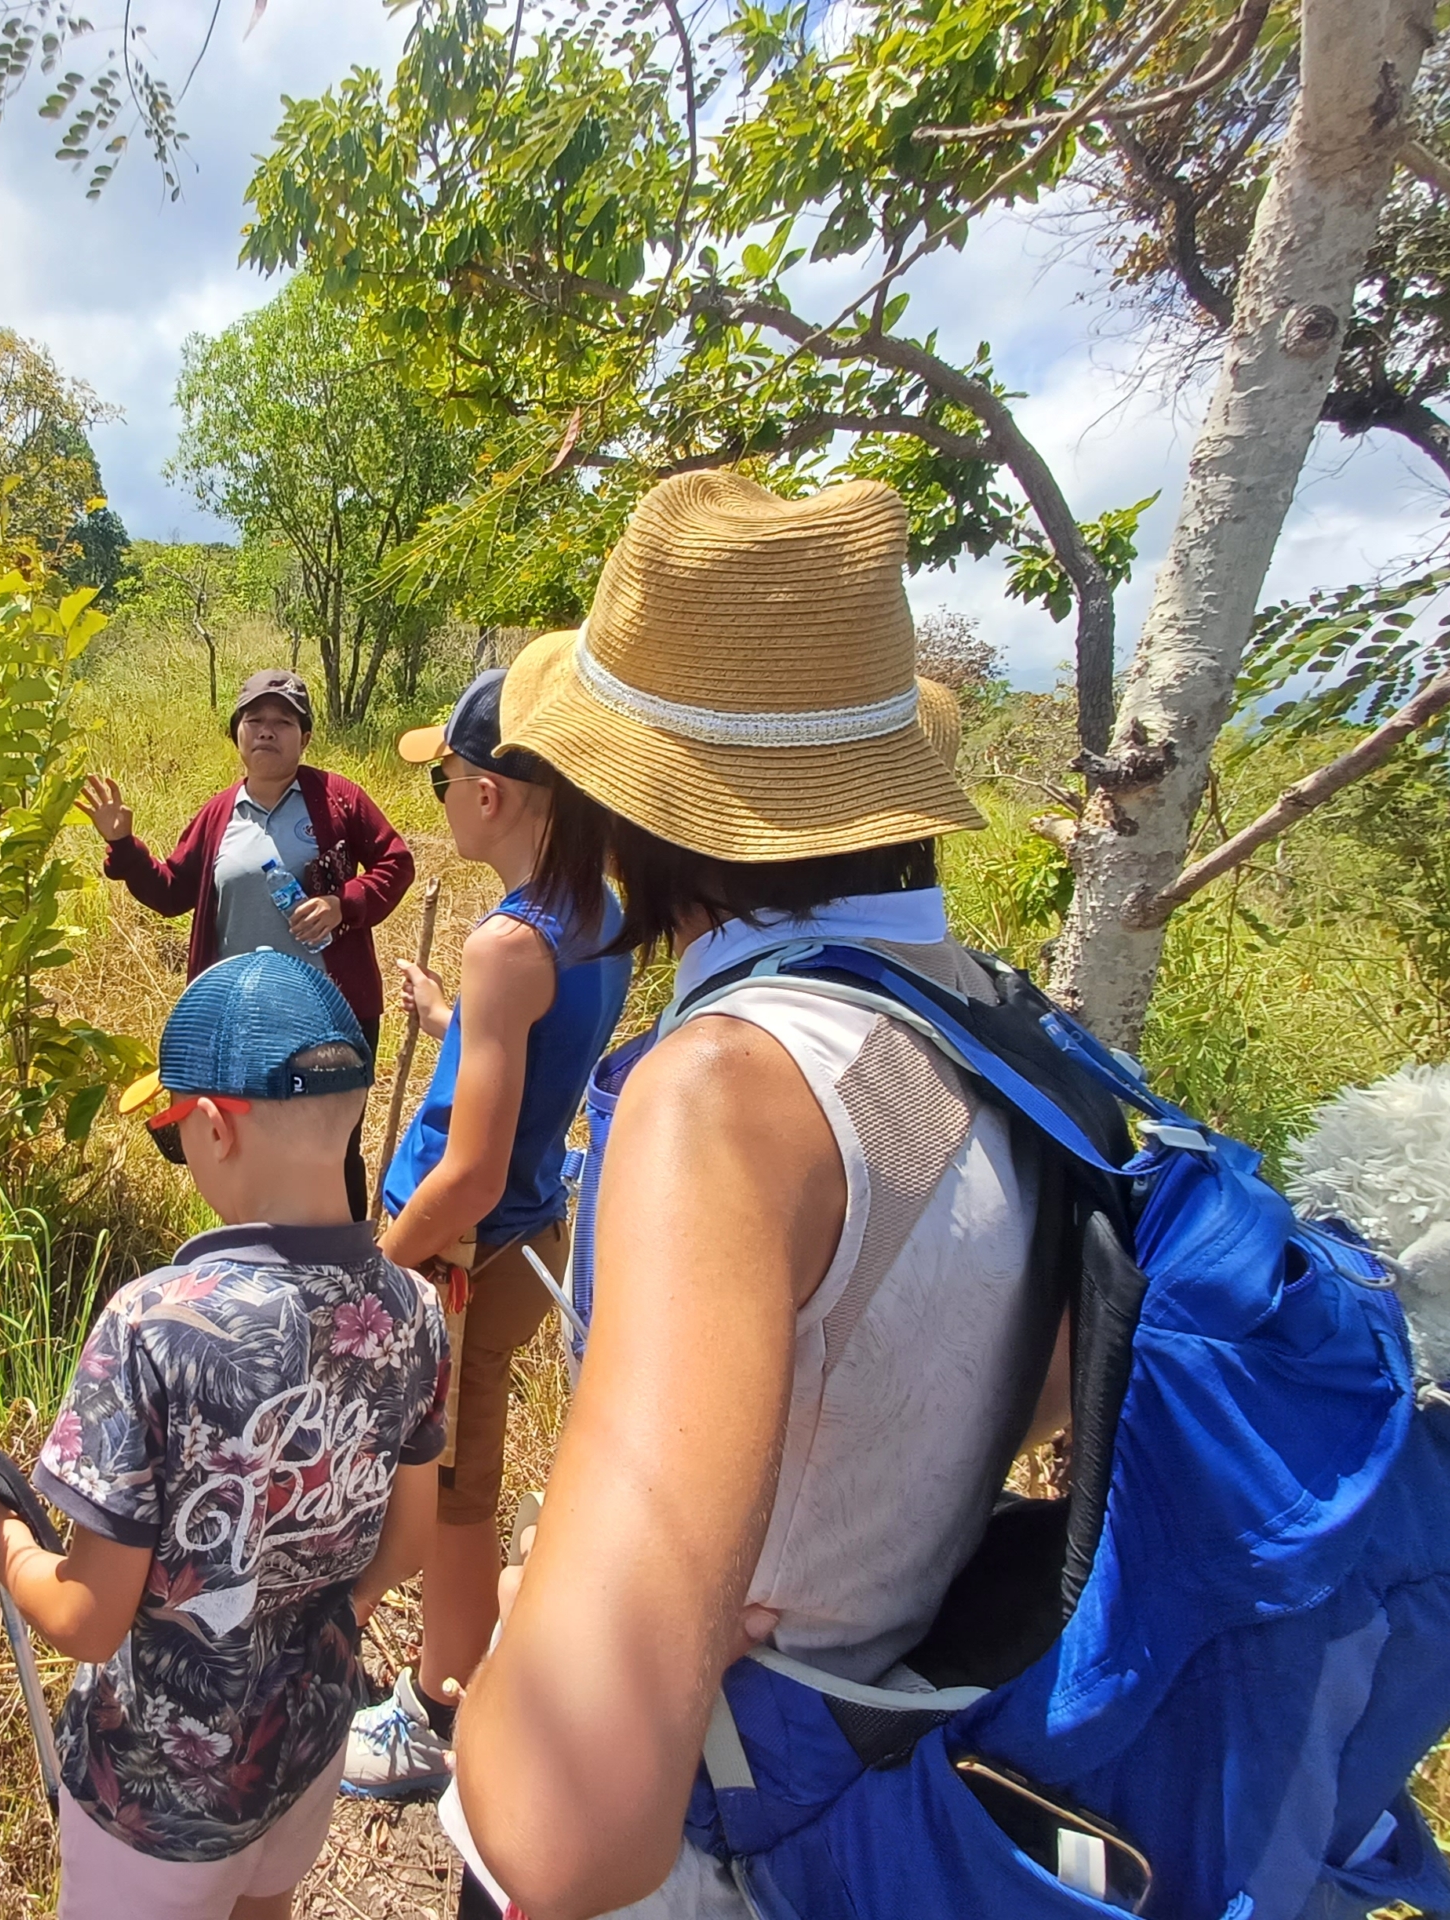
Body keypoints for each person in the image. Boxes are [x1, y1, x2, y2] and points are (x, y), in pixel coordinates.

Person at [444, 473, 1052, 1920]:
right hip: (881, 1780)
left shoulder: (726, 1093)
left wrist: (528, 1648)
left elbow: (564, 1823)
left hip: (710, 1849)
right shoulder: (1000, 1031)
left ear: (631, 804)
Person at [0, 950, 449, 1920]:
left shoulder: (153, 1324)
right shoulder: (415, 1310)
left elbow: (89, 1617)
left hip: (153, 1802)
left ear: (214, 1127)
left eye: (177, 1139)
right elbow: (409, 1542)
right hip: (304, 1757)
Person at [341, 668, 631, 1802]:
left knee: (455, 1491)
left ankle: (436, 1707)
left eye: (445, 773)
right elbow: (530, 1060)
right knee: (463, 1467)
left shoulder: (508, 944)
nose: (442, 790)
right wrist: (451, 1028)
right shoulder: (598, 913)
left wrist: (380, 1262)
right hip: (533, 1236)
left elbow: (464, 1175)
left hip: (468, 1252)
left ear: (497, 794)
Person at [79, 668, 416, 1217]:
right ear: (236, 734)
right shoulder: (218, 814)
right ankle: (253, 1270)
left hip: (329, 1016)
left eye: (283, 722)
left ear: (304, 740)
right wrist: (124, 846)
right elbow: (171, 892)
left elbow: (395, 862)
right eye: (254, 720)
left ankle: (345, 1279)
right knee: (237, 1148)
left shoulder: (337, 800)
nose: (267, 731)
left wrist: (343, 904)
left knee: (332, 1152)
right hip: (238, 1020)